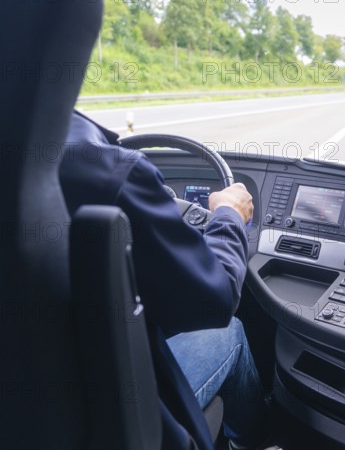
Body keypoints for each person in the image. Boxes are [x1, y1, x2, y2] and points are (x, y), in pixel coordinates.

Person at [60, 110, 281, 450]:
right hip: (116, 416)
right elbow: (215, 299)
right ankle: (256, 441)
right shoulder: (109, 169)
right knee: (229, 330)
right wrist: (228, 216)